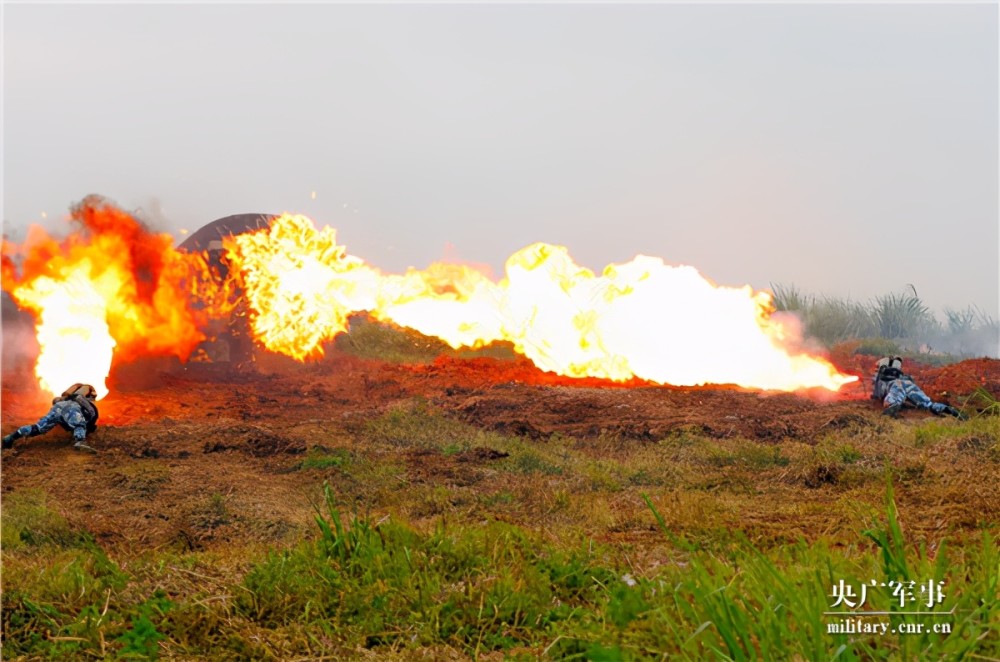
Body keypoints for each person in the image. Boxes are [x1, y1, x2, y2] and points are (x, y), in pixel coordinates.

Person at [2, 383, 100, 452]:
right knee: (80, 424)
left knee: (38, 428)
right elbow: (89, 419)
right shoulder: (86, 396)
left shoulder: (69, 395)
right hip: (72, 407)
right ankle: (80, 442)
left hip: (57, 407)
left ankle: (11, 437)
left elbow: (60, 398)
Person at [871, 357, 965, 419]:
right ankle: (946, 409)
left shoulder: (882, 380)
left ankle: (892, 407)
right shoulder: (904, 378)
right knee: (927, 403)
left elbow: (877, 393)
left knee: (894, 400)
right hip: (907, 384)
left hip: (896, 386)